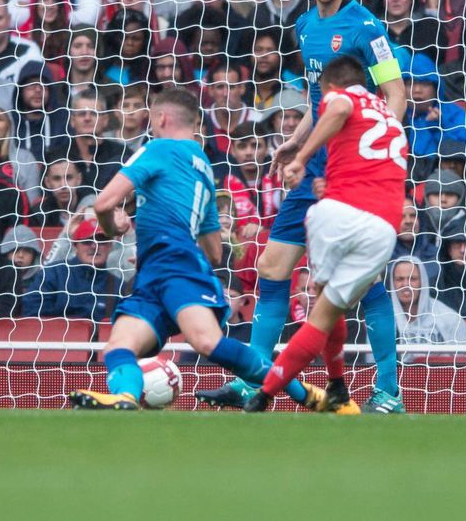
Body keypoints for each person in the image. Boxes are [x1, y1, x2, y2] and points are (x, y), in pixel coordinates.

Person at [195, 0, 408, 414]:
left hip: (353, 173)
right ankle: (255, 383)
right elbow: (325, 101)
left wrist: (383, 154)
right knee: (272, 268)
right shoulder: (304, 25)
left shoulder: (368, 28)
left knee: (367, 285)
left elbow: (395, 93)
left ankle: (388, 392)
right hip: (314, 167)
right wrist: (296, 141)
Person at [68, 88, 331, 411]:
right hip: (160, 270)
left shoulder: (157, 148)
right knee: (119, 346)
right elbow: (214, 252)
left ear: (161, 118)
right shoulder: (205, 169)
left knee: (205, 341)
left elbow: (104, 202)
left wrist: (115, 226)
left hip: (171, 264)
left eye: (151, 118)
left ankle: (305, 394)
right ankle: (125, 397)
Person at [240, 55, 406, 412]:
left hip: (336, 215)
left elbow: (339, 107)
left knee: (319, 310)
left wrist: (301, 155)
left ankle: (263, 393)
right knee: (328, 311)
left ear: (327, 87)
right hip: (382, 226)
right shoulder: (389, 114)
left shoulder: (340, 96)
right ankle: (339, 387)